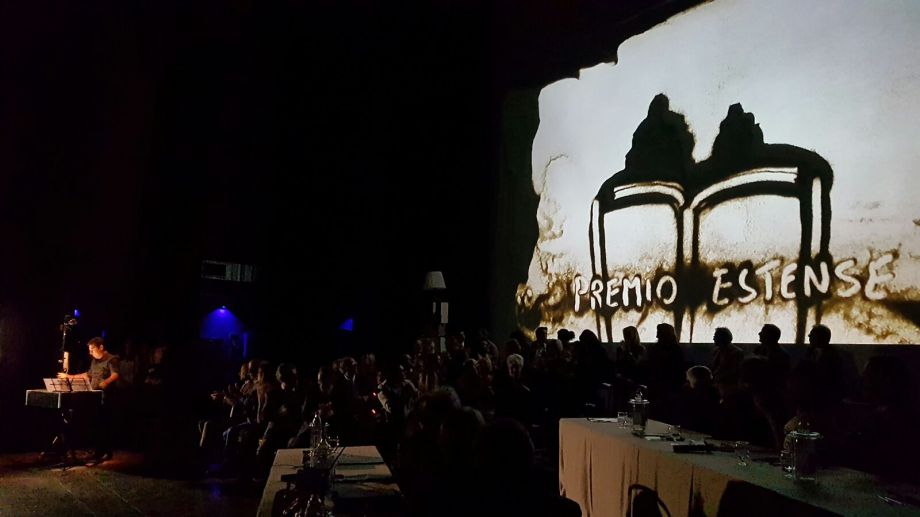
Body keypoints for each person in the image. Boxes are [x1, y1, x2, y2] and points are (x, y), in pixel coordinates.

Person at [57, 336, 120, 464]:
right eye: (89, 350)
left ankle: (106, 452)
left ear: (101, 347)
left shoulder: (112, 359)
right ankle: (98, 451)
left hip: (106, 398)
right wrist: (69, 377)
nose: (90, 353)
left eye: (92, 350)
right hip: (94, 398)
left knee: (104, 425)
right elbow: (88, 375)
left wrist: (106, 382)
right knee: (95, 425)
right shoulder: (94, 361)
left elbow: (115, 374)